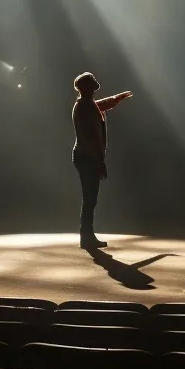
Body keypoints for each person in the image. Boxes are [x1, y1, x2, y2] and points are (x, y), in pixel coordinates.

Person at [71, 71, 133, 249]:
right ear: (87, 86)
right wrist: (99, 162)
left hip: (86, 156)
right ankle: (86, 237)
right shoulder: (84, 106)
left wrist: (117, 98)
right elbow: (89, 138)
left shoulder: (86, 104)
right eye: (92, 81)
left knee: (90, 198)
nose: (96, 83)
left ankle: (87, 236)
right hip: (86, 156)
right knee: (89, 198)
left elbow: (102, 105)